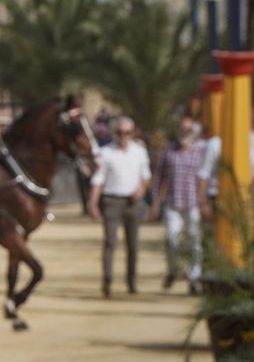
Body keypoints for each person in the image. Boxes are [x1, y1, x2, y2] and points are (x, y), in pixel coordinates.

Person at [87, 115, 151, 297]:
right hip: (112, 200)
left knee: (133, 244)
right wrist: (93, 203)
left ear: (132, 133)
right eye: (120, 132)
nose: (123, 136)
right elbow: (98, 180)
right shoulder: (106, 152)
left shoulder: (140, 152)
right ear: (115, 133)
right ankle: (107, 280)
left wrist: (141, 190)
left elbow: (146, 176)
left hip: (133, 202)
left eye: (127, 132)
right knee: (110, 241)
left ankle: (131, 281)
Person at [152, 115, 208, 293]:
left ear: (194, 131)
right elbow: (159, 178)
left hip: (193, 204)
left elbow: (206, 176)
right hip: (173, 203)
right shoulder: (168, 150)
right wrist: (155, 203)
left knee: (194, 242)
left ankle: (194, 278)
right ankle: (173, 270)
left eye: (188, 130)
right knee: (172, 240)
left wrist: (205, 202)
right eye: (182, 130)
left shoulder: (201, 150)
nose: (185, 133)